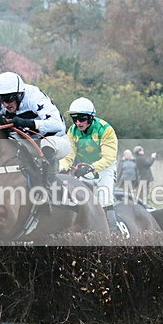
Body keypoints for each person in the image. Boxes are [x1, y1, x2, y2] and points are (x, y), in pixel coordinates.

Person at [0, 71, 70, 185]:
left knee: (46, 145)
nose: (5, 104)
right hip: (30, 143)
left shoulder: (34, 97)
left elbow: (57, 124)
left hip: (56, 141)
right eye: (0, 99)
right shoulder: (5, 105)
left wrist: (27, 123)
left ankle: (51, 184)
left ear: (19, 94)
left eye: (8, 99)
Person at [59, 97, 121, 234]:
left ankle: (113, 233)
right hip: (83, 168)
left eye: (81, 119)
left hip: (104, 168)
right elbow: (69, 155)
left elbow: (109, 158)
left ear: (91, 117)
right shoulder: (72, 131)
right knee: (73, 194)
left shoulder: (105, 130)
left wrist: (91, 168)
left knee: (104, 197)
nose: (78, 123)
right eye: (74, 119)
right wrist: (62, 167)